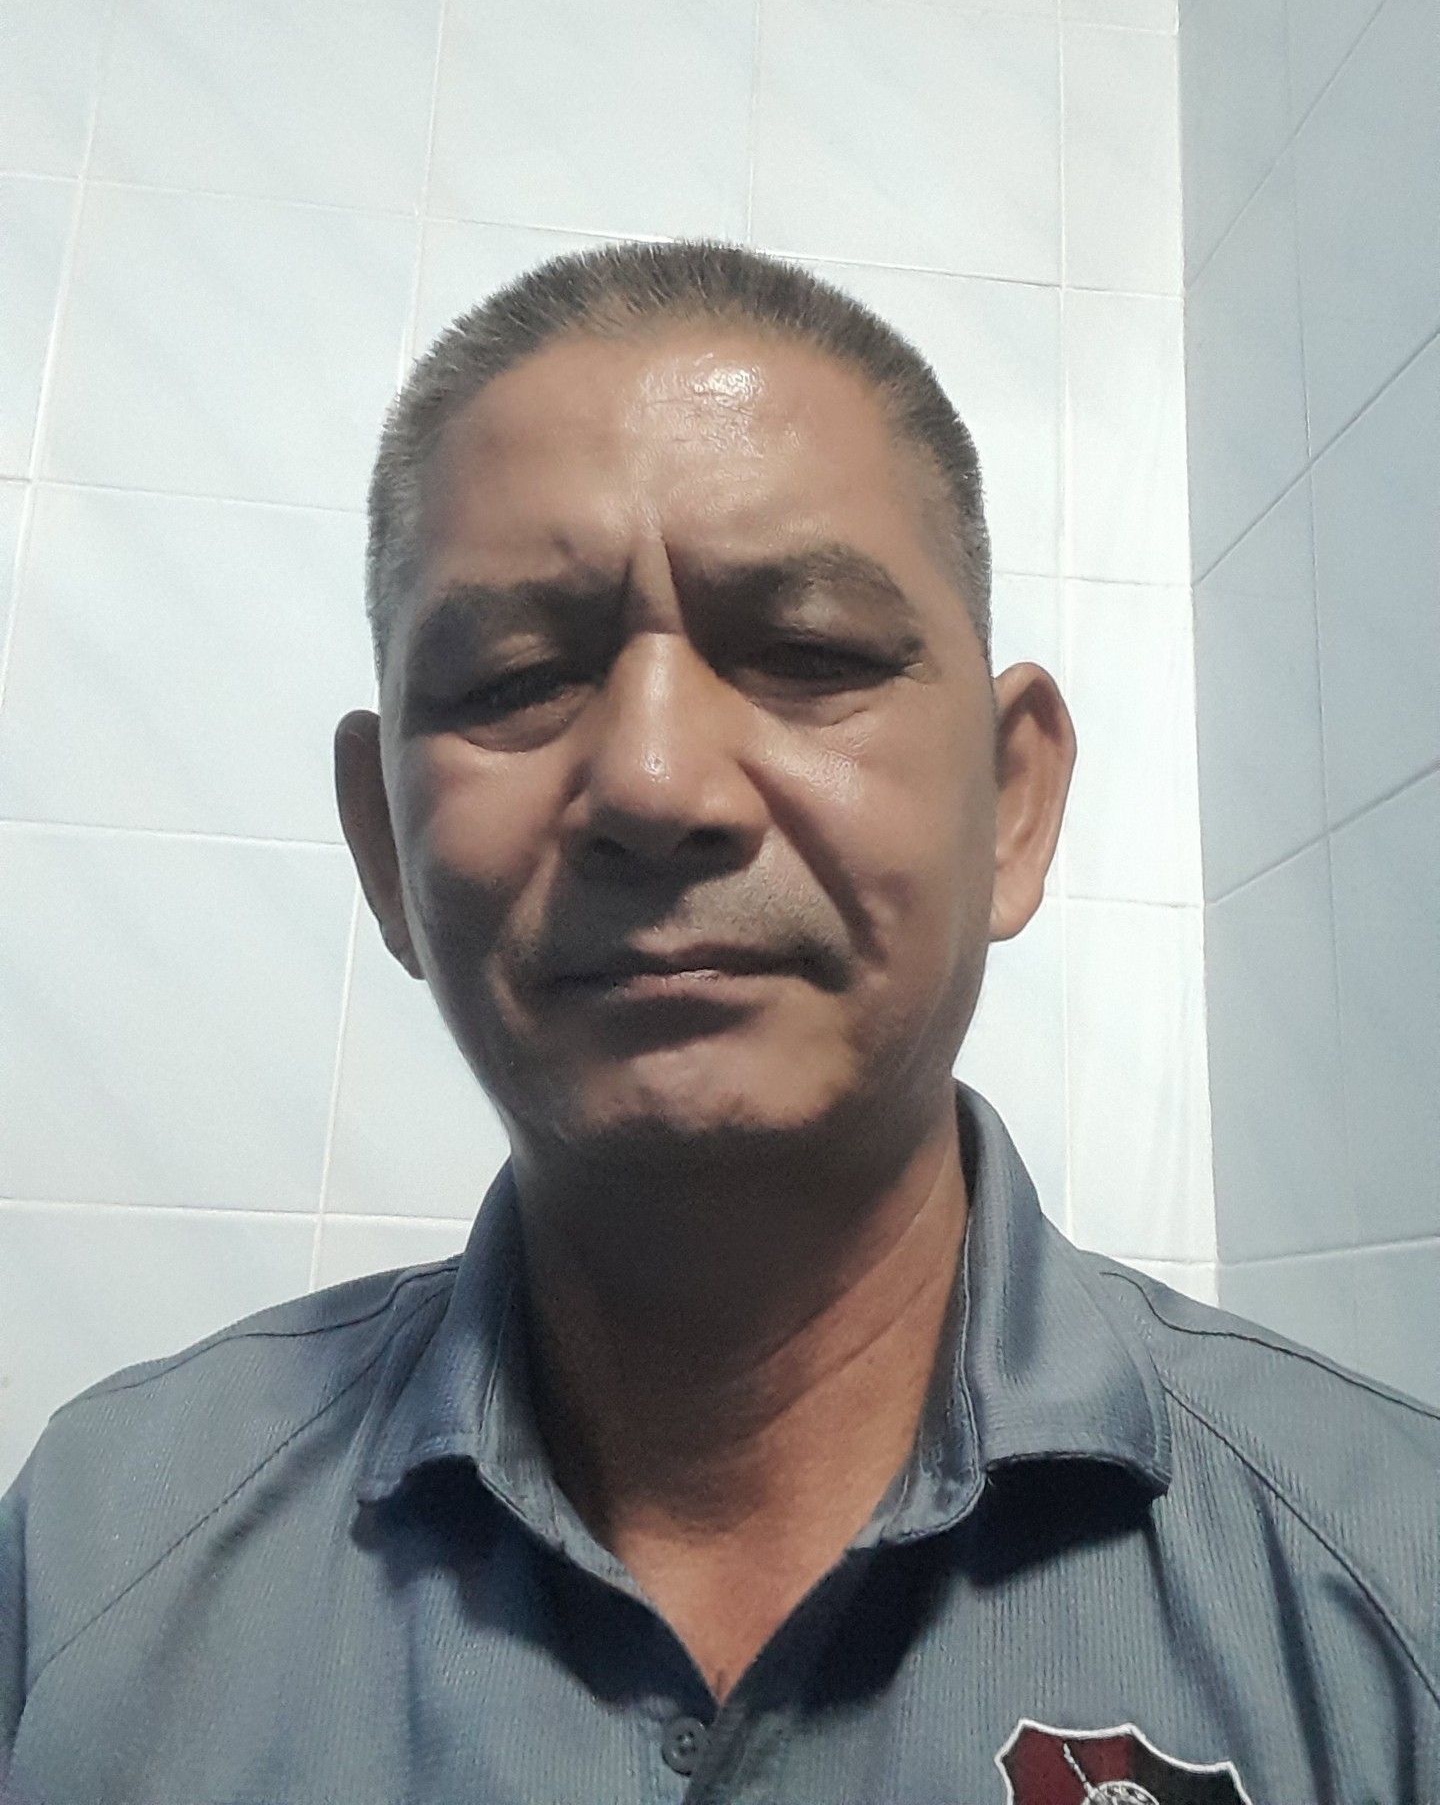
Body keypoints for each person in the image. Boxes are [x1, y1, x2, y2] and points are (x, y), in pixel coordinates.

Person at [2, 242, 1436, 1805]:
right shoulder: (96, 1559)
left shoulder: (1392, 1581)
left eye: (811, 654)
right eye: (514, 678)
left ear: (1014, 804)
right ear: (384, 851)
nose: (654, 781)